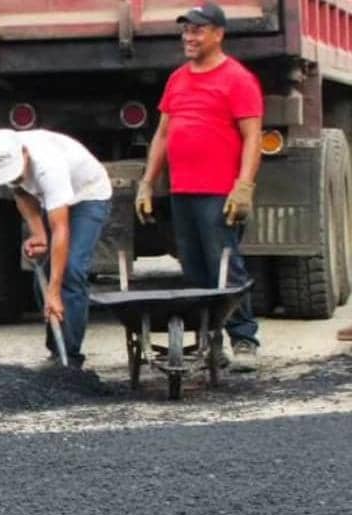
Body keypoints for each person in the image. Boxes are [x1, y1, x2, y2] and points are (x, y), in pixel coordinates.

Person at [136, 1, 262, 369]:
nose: (189, 37)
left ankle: (244, 341)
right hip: (183, 191)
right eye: (186, 30)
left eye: (198, 30)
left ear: (218, 34)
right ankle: (210, 342)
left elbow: (252, 137)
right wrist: (147, 183)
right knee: (194, 271)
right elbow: (162, 135)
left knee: (226, 265)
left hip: (219, 191)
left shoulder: (237, 78)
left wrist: (243, 186)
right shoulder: (178, 78)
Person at [0, 128, 112, 368]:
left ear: (24, 154)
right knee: (44, 274)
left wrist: (53, 293)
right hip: (54, 200)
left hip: (89, 196)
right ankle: (56, 352)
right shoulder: (5, 159)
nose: (15, 177)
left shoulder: (48, 165)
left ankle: (70, 358)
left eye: (17, 171)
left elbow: (61, 229)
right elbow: (21, 194)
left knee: (71, 270)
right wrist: (39, 233)